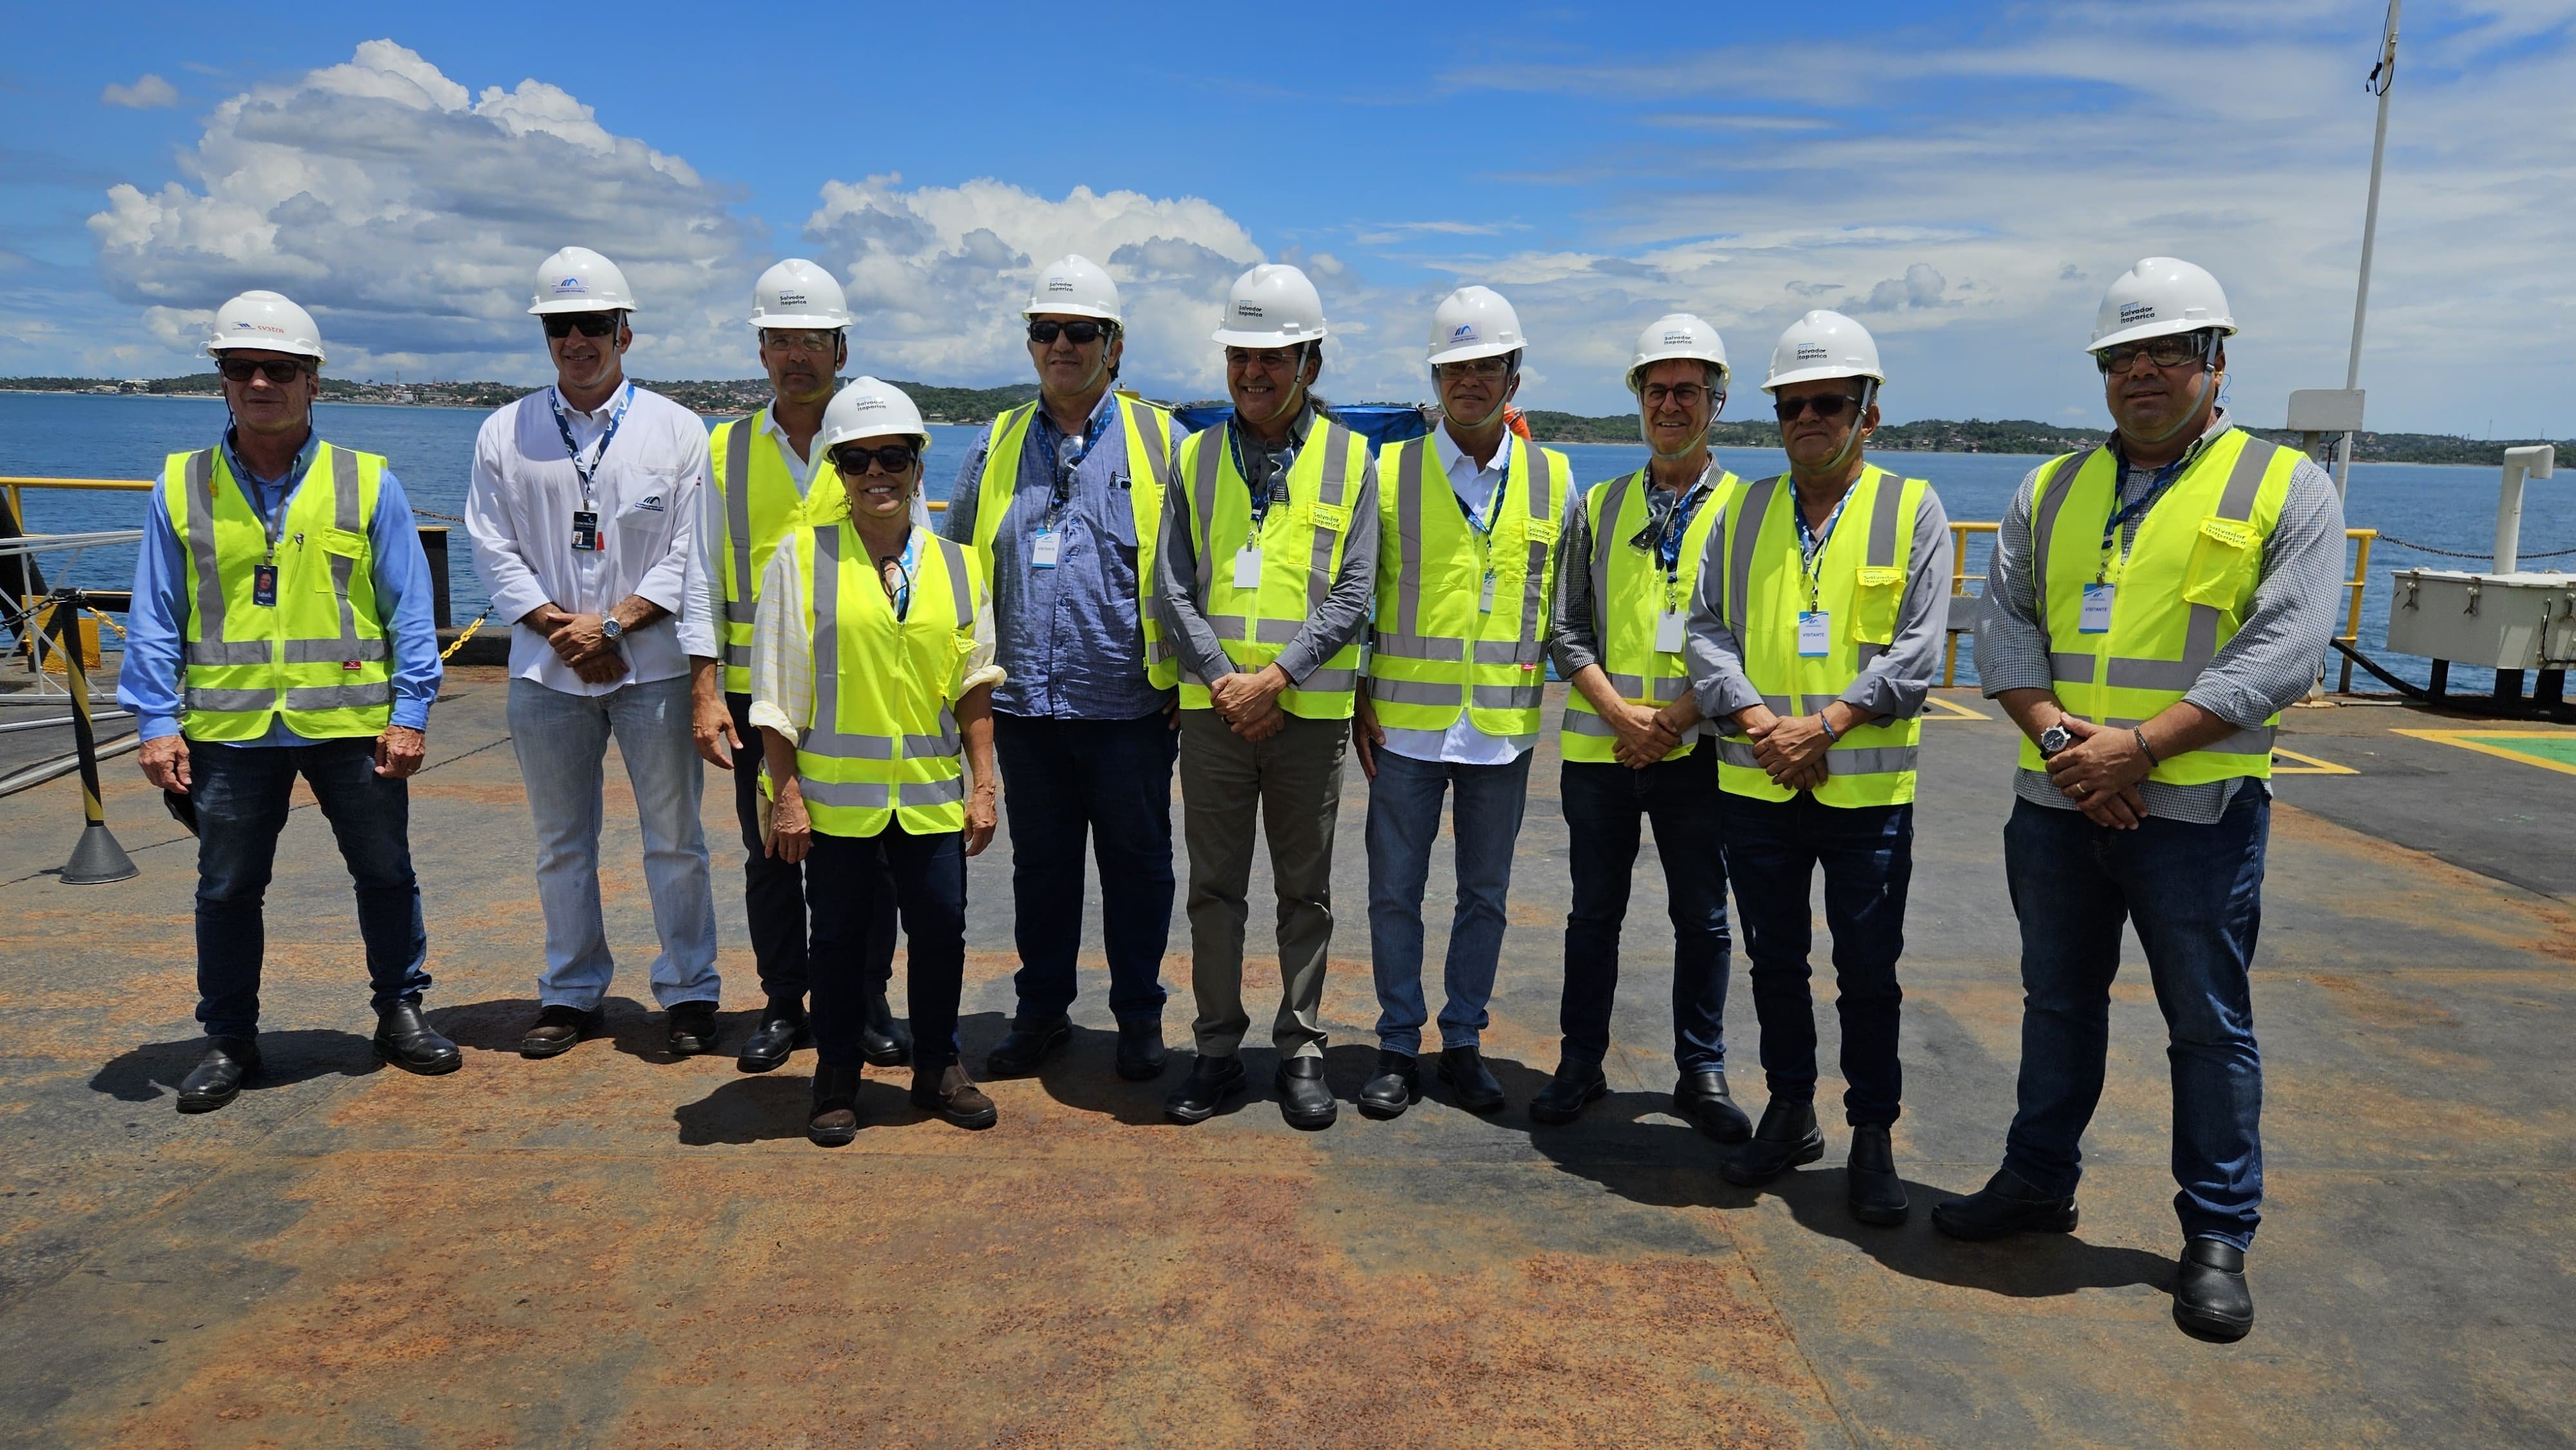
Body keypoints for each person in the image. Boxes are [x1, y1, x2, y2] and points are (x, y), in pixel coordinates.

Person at [1942, 258, 2345, 1342]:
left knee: (2208, 1025)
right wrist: (2071, 745)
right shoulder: (2050, 489)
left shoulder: (2285, 487)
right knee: (2056, 1002)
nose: (2144, 372)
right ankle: (2037, 1178)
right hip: (2060, 796)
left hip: (2198, 819)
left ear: (2218, 360)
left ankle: (2216, 1234)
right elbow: (2009, 625)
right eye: (2123, 356)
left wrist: (2140, 750)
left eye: (2168, 352)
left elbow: (2285, 649)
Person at [121, 290, 454, 1111]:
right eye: (242, 368)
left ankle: (399, 1009)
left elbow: (410, 609)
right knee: (227, 888)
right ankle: (230, 1036)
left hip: (351, 723)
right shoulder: (182, 484)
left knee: (384, 872)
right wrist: (157, 721)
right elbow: (157, 611)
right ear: (223, 382)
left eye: (279, 369)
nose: (259, 382)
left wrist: (411, 712)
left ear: (313, 382)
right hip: (230, 731)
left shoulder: (367, 481)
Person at [1687, 310, 1951, 1225]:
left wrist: (1825, 727)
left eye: (1829, 403)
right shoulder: (1742, 511)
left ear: (1868, 414)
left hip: (1865, 794)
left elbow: (1918, 655)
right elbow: (1706, 631)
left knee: (1869, 973)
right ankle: (1791, 1109)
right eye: (1791, 404)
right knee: (1774, 962)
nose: (1809, 419)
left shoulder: (1911, 509)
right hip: (1757, 784)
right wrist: (1765, 723)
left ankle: (1871, 1134)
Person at [464, 246, 722, 1060]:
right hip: (547, 674)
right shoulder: (506, 431)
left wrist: (611, 626)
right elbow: (491, 546)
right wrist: (559, 629)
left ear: (624, 332)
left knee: (675, 835)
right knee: (560, 840)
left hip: (650, 667)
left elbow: (692, 550)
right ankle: (572, 989)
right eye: (560, 325)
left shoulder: (678, 429)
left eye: (593, 324)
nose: (577, 339)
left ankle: (689, 988)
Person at [944, 256, 1188, 1084]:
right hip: (1024, 708)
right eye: (1045, 331)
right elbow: (960, 564)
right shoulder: (998, 441)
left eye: (1079, 332)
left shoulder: (1165, 442)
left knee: (1138, 868)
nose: (1060, 345)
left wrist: (1190, 682)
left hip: (1128, 706)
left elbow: (1198, 575)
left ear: (1113, 346)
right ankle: (1041, 1010)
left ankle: (1138, 1017)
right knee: (1040, 870)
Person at [751, 377, 1004, 1142]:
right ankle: (835, 1074)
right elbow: (776, 690)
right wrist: (785, 794)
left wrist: (984, 783)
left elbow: (973, 686)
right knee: (836, 937)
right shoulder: (801, 559)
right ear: (836, 471)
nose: (874, 474)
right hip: (836, 802)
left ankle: (937, 1066)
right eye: (854, 460)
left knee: (942, 930)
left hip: (928, 795)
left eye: (890, 456)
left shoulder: (961, 567)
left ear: (918, 460)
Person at [1154, 263, 1377, 1130]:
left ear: (1310, 363)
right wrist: (1225, 682)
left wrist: (1276, 679)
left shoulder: (1354, 460)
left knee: (1305, 891)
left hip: (1306, 717)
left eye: (1274, 356)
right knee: (1213, 887)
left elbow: (1353, 594)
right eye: (1241, 354)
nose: (1254, 371)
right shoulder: (1194, 457)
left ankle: (1302, 1048)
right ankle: (1214, 1049)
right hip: (1215, 715)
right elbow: (1171, 588)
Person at [687, 259, 911, 1075]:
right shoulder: (725, 450)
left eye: (812, 338)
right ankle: (786, 1002)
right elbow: (700, 577)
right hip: (759, 693)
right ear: (760, 350)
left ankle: (868, 997)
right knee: (773, 852)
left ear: (840, 346)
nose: (796, 355)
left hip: (857, 687)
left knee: (870, 853)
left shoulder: (870, 445)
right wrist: (706, 688)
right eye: (781, 339)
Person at [1352, 286, 1569, 1119]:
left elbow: (1570, 602)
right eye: (1454, 367)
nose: (1470, 380)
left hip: (1501, 731)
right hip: (1408, 724)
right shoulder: (1391, 472)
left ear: (1513, 374)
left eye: (1486, 365)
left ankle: (1465, 1040)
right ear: (1435, 379)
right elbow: (1357, 594)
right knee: (1394, 891)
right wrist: (1355, 696)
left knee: (1485, 895)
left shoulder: (1553, 478)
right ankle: (1399, 1045)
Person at [1532, 314, 1747, 1136]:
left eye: (1686, 391)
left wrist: (1679, 717)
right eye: (1655, 389)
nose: (1669, 404)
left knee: (1704, 916)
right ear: (1637, 398)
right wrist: (1622, 712)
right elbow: (1567, 627)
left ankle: (1701, 1069)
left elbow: (1748, 633)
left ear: (1715, 402)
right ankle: (1580, 1060)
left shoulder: (1746, 509)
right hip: (1602, 749)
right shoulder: (1600, 504)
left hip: (1701, 755)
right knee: (1593, 915)